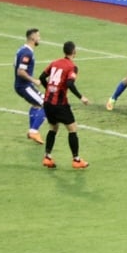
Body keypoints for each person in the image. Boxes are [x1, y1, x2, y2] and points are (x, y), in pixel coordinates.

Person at [39, 41, 90, 169]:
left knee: (53, 128)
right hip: (60, 104)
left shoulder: (54, 62)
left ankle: (47, 157)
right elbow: (69, 84)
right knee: (72, 129)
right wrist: (81, 97)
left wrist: (49, 89)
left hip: (47, 102)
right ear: (74, 52)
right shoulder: (72, 67)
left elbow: (41, 77)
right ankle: (76, 160)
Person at [14, 28, 46, 144]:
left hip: (21, 86)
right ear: (32, 38)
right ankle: (33, 131)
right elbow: (20, 71)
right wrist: (34, 80)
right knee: (46, 104)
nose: (39, 38)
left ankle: (32, 132)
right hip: (24, 86)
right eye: (38, 36)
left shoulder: (21, 50)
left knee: (36, 105)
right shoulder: (27, 53)